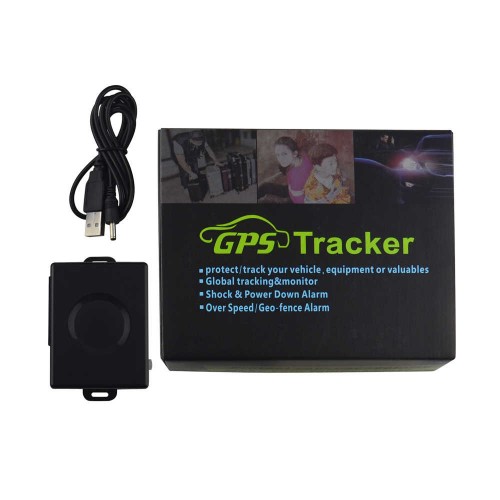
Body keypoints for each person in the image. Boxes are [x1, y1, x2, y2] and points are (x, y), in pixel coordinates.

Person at [274, 136, 313, 203]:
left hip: (295, 197)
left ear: (295, 153)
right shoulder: (303, 155)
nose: (280, 159)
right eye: (278, 155)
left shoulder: (296, 178)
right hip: (298, 189)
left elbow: (299, 201)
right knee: (265, 187)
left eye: (284, 154)